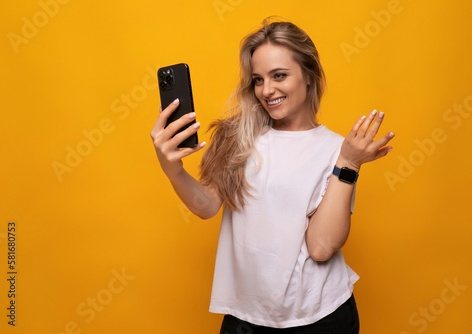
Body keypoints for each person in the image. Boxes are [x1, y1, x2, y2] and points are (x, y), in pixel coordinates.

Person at [151, 19, 394, 334]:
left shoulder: (338, 150)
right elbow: (207, 206)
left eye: (279, 75)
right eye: (258, 79)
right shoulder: (238, 137)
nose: (267, 90)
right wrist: (173, 170)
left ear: (308, 75)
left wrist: (348, 162)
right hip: (245, 320)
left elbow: (321, 248)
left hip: (320, 319)